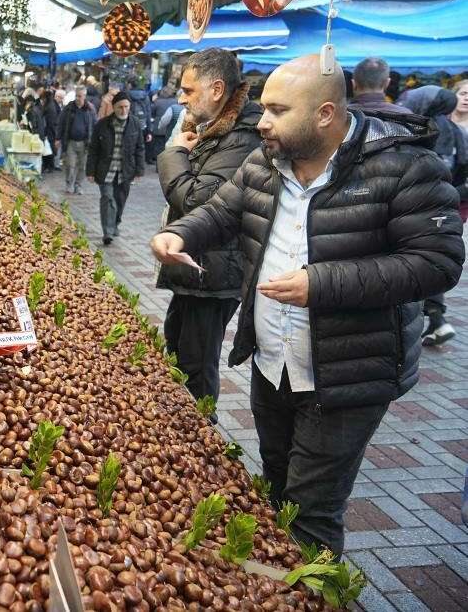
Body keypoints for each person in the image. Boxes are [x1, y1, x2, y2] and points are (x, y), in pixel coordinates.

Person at [150, 54, 464, 557]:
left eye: (277, 110)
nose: (263, 121)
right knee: (277, 485)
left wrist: (323, 284)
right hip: (273, 363)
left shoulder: (406, 167)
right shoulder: (265, 161)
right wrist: (177, 233)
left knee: (311, 510)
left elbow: (437, 263)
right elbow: (222, 210)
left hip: (347, 374)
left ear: (324, 114)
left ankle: (313, 590)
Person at [156, 48, 263, 407]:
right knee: (177, 347)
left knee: (196, 365)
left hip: (214, 272)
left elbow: (196, 202)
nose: (181, 99)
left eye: (188, 91)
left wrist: (174, 154)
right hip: (198, 269)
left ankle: (201, 437)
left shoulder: (243, 136)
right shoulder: (211, 130)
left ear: (217, 89)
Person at [397, 85, 468, 346]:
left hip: (418, 210)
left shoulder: (419, 132)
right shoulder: (455, 133)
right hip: (448, 210)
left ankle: (425, 322)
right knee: (433, 263)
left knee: (414, 264)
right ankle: (437, 318)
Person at [85, 93, 145, 245]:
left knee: (120, 200)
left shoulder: (135, 124)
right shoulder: (102, 125)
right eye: (120, 107)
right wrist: (90, 171)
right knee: (107, 198)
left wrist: (139, 170)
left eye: (126, 107)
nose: (124, 110)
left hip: (125, 171)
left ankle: (115, 223)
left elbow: (140, 148)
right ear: (114, 107)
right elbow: (93, 149)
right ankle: (107, 232)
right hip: (105, 170)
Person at [57, 86, 97, 195]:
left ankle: (78, 185)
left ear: (85, 96)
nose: (78, 98)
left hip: (85, 142)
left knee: (83, 166)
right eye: (77, 96)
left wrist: (95, 140)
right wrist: (58, 138)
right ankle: (69, 184)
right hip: (71, 141)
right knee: (70, 164)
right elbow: (61, 122)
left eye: (80, 96)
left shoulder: (90, 109)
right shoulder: (69, 108)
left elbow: (94, 125)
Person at [149, 86, 179, 163]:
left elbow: (152, 114)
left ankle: (158, 165)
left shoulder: (157, 102)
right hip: (171, 128)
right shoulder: (175, 101)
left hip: (159, 128)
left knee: (159, 147)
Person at [127, 78, 154, 144]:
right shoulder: (145, 96)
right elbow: (148, 113)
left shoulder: (127, 95)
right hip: (142, 126)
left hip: (130, 125)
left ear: (130, 85)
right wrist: (149, 131)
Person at [41, 88, 60, 173]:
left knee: (48, 148)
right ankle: (49, 166)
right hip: (51, 130)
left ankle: (49, 166)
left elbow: (50, 121)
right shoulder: (51, 104)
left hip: (50, 131)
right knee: (49, 148)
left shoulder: (49, 106)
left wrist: (48, 132)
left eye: (43, 98)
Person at [53, 89, 66, 169]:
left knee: (58, 147)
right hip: (56, 129)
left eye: (62, 98)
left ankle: (56, 163)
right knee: (57, 147)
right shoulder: (54, 106)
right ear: (56, 96)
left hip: (58, 129)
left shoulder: (60, 106)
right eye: (60, 98)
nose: (61, 100)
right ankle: (56, 164)